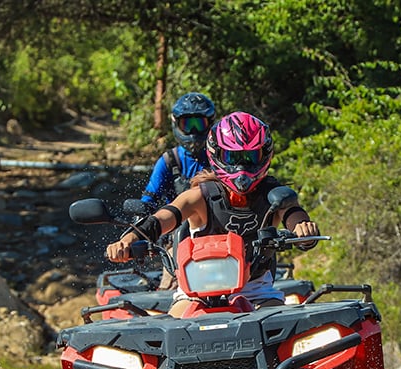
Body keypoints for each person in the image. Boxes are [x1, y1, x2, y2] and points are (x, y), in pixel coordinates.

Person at [106, 112, 319, 315]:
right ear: (216, 154)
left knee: (282, 334)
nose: (241, 167)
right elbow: (163, 218)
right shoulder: (199, 196)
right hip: (196, 292)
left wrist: (302, 228)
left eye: (250, 156)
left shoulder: (274, 195)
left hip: (256, 290)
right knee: (169, 339)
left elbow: (294, 213)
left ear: (265, 154)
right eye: (232, 156)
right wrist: (128, 240)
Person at [139, 92, 217, 211]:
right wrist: (141, 214)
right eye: (188, 125)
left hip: (217, 226)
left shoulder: (220, 158)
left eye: (199, 124)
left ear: (210, 123)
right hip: (176, 225)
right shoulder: (169, 160)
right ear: (176, 124)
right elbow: (149, 198)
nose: (193, 131)